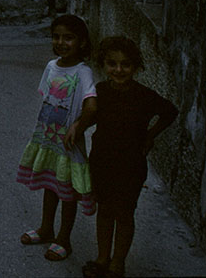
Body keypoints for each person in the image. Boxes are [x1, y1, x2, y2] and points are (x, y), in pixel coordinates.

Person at [83, 36, 178, 278]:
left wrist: (150, 135)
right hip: (102, 161)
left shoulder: (144, 96)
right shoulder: (100, 92)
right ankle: (102, 258)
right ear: (104, 65)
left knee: (124, 213)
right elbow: (89, 117)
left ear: (135, 67)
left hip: (131, 165)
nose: (118, 70)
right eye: (112, 64)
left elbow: (170, 112)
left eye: (125, 64)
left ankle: (118, 263)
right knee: (104, 210)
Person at [17, 14, 97, 262]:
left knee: (68, 192)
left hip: (67, 143)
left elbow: (92, 106)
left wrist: (78, 126)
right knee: (51, 184)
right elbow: (48, 98)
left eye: (69, 38)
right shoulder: (52, 66)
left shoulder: (83, 72)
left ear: (82, 42)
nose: (61, 42)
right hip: (48, 138)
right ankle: (45, 228)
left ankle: (64, 238)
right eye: (57, 37)